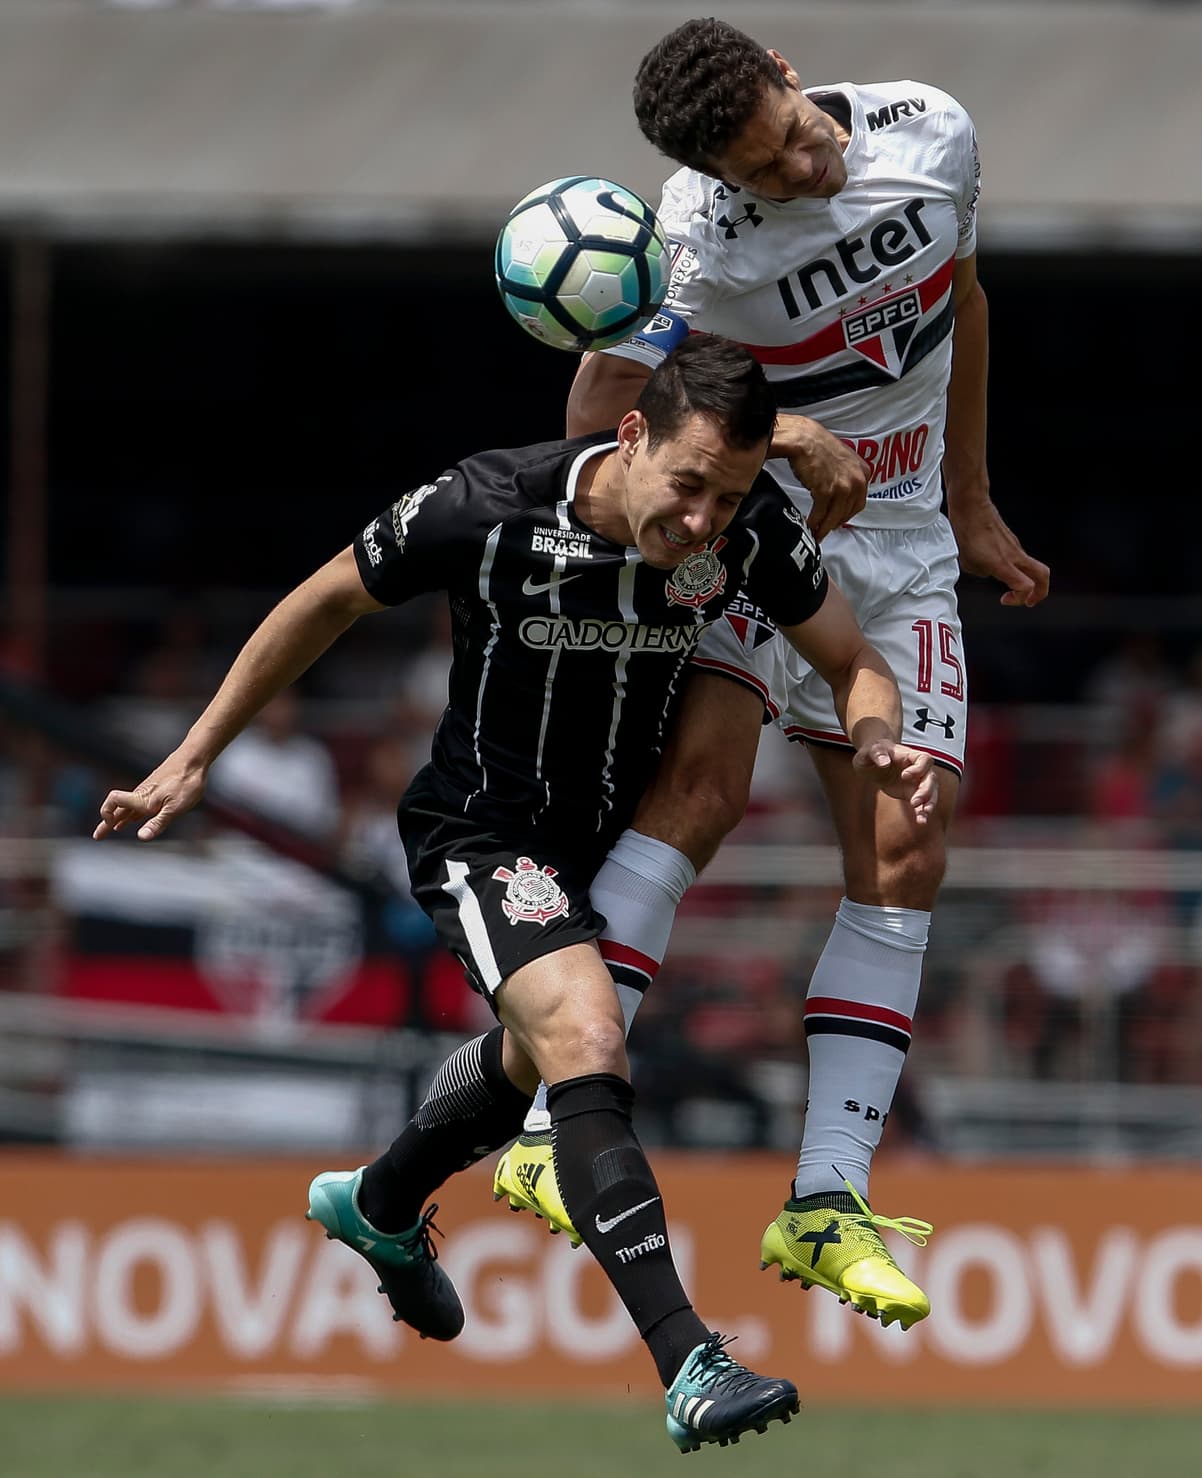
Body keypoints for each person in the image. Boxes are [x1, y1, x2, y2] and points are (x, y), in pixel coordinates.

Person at [93, 336, 936, 1450]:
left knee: (531, 1054)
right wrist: (195, 754)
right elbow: (325, 598)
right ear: (629, 435)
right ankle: (689, 1359)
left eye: (725, 499)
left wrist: (876, 731)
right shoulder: (488, 503)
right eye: (687, 488)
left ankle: (382, 1200)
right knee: (587, 1034)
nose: (700, 523)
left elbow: (849, 657)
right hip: (484, 836)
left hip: (606, 844)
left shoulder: (747, 534)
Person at [495, 16, 1049, 1331]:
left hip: (907, 538)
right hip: (758, 532)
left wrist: (969, 500)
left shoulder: (934, 134)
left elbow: (962, 303)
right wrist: (786, 432)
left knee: (908, 840)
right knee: (698, 792)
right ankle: (544, 1124)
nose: (803, 169)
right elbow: (596, 426)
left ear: (797, 79)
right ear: (725, 180)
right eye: (771, 168)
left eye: (796, 137)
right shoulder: (690, 249)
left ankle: (826, 1201)